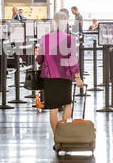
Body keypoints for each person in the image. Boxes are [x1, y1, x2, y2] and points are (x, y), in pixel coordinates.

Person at [36, 11, 84, 142]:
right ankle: (65, 135)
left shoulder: (45, 38)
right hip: (65, 76)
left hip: (50, 77)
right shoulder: (70, 39)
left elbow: (39, 59)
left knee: (53, 109)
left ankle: (57, 137)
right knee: (67, 104)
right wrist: (78, 77)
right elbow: (72, 61)